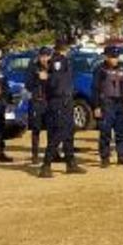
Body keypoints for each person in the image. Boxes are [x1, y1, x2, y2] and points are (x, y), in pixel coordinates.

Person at [39, 37, 85, 178]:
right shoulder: (58, 61)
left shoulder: (63, 61)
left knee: (69, 131)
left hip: (66, 100)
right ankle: (46, 164)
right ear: (65, 48)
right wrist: (61, 95)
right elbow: (55, 82)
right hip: (59, 101)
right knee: (59, 132)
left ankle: (70, 162)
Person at [93, 46, 123, 168]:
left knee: (122, 131)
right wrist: (96, 106)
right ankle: (105, 157)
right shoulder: (100, 69)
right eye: (112, 57)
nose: (114, 59)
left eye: (116, 57)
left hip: (120, 102)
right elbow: (95, 89)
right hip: (106, 103)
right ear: (106, 57)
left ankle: (121, 155)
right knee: (105, 131)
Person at [24, 46, 52, 164]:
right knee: (36, 128)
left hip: (50, 102)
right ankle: (35, 154)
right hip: (37, 101)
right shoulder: (33, 67)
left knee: (52, 128)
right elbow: (28, 85)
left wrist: (49, 77)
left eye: (47, 56)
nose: (44, 59)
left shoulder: (54, 68)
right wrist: (37, 78)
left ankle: (52, 153)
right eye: (42, 56)